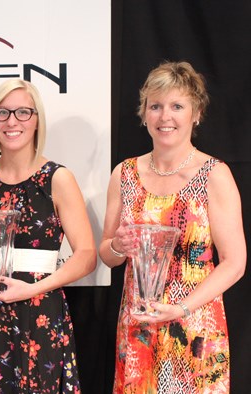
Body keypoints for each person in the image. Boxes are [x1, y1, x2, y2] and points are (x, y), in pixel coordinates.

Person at [99, 61, 246, 393]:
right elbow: (107, 256)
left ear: (195, 113)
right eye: (156, 106)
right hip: (138, 328)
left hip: (194, 328)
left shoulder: (214, 174)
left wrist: (182, 308)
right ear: (144, 113)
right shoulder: (124, 174)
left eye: (177, 106)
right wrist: (118, 246)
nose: (165, 116)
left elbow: (235, 263)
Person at [0, 79, 97, 393]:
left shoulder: (57, 178)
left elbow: (87, 255)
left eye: (23, 112)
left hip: (40, 311)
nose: (12, 122)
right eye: (3, 113)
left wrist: (34, 288)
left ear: (37, 120)